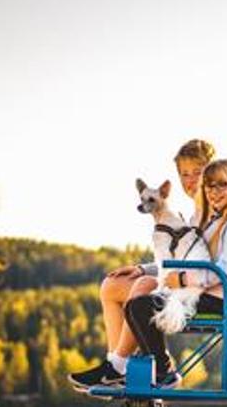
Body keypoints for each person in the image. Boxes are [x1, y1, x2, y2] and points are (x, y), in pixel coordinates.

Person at [69, 139, 214, 390]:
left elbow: (203, 268)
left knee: (144, 285)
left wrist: (149, 275)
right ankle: (115, 364)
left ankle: (117, 366)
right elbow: (176, 260)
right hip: (178, 279)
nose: (190, 180)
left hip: (198, 290)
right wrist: (141, 268)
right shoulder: (192, 215)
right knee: (111, 286)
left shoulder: (214, 215)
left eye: (197, 172)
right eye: (184, 174)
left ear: (213, 171)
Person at [124, 158, 227, 387]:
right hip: (197, 291)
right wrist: (145, 269)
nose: (214, 192)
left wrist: (183, 279)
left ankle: (163, 371)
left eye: (221, 185)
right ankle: (156, 369)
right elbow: (183, 257)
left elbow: (224, 272)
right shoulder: (207, 220)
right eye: (209, 186)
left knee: (140, 307)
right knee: (133, 306)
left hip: (217, 299)